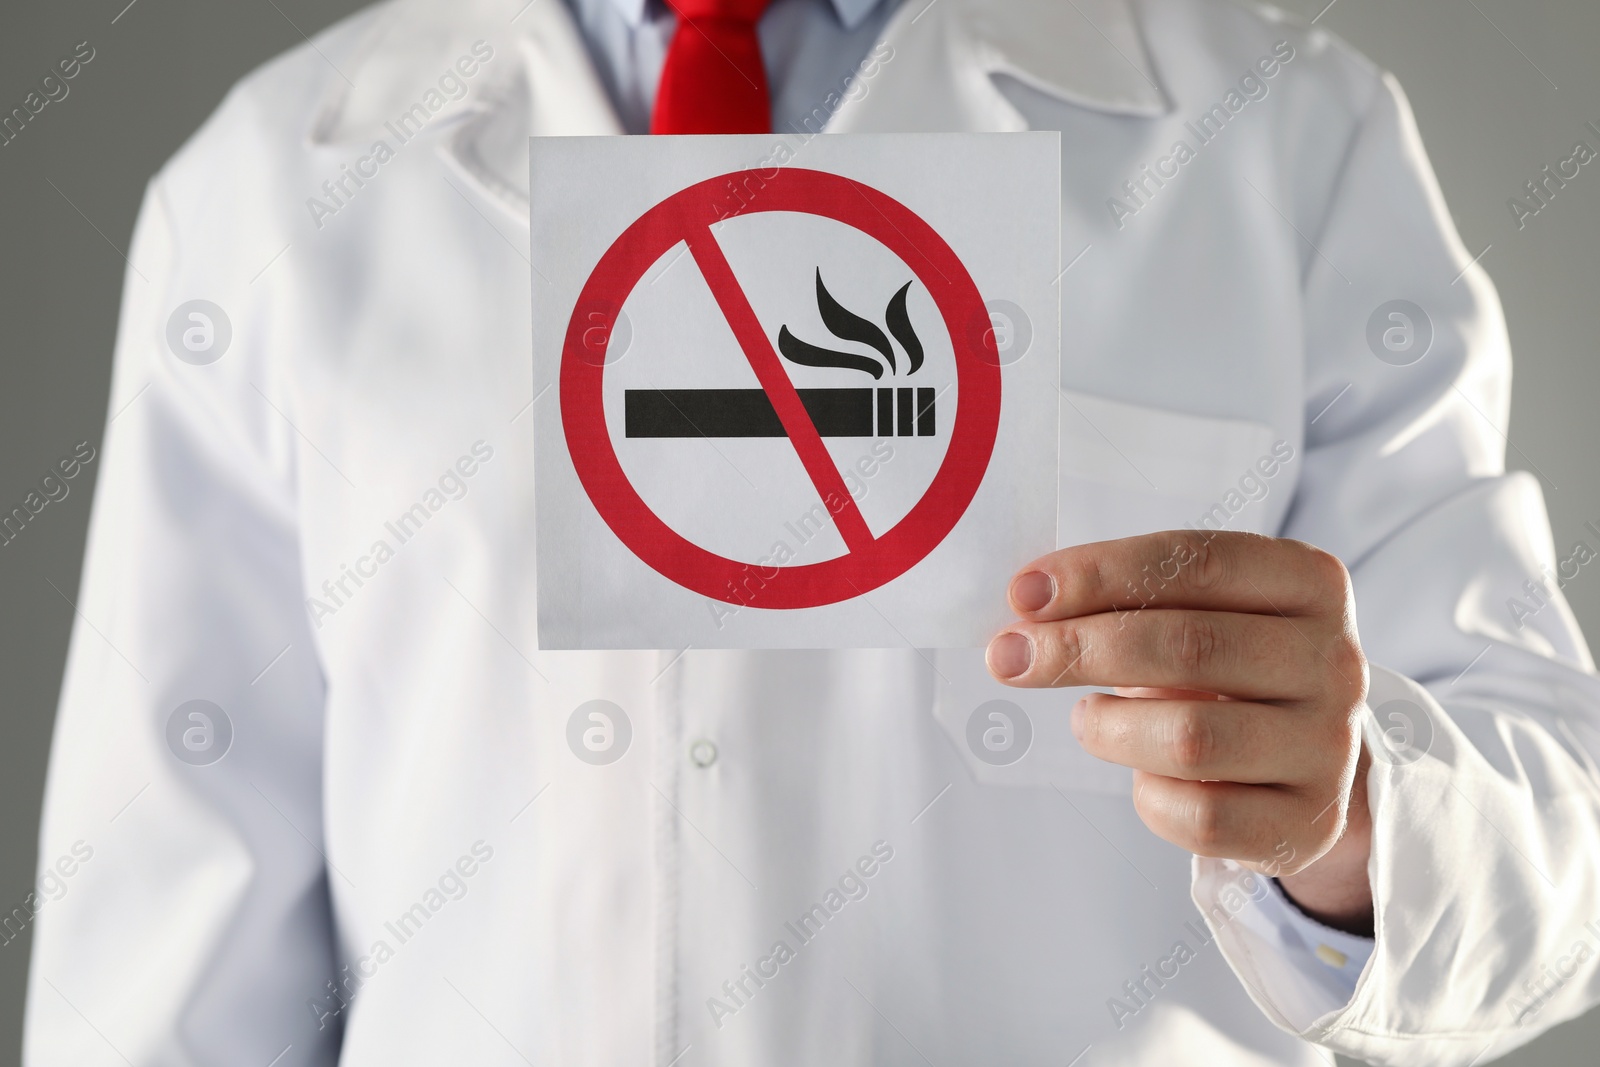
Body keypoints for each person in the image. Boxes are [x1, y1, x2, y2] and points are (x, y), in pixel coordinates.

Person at [23, 0, 1600, 1062]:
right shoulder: (264, 188)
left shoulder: (1281, 139)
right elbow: (164, 943)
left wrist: (1350, 825)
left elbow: (1561, 840)